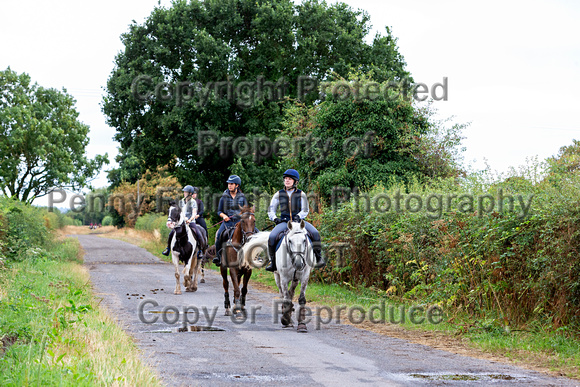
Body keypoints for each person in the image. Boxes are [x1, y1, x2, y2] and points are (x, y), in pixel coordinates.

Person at [265, 169, 325, 272]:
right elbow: (271, 210)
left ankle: (318, 258)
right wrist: (275, 218)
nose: (287, 181)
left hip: (299, 223)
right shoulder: (278, 194)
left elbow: (305, 210)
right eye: (285, 179)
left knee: (315, 233)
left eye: (289, 179)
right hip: (285, 223)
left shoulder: (301, 194)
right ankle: (273, 262)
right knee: (272, 237)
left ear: (295, 181)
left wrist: (299, 216)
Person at [213, 175, 249, 265]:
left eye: (231, 184)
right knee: (219, 236)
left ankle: (255, 256)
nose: (229, 185)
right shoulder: (224, 197)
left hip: (239, 222)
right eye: (228, 184)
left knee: (253, 232)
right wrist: (224, 216)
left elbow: (246, 210)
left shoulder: (242, 197)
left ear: (237, 185)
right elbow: (219, 211)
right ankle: (218, 257)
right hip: (228, 222)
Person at [162, 185, 198, 256]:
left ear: (190, 193)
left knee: (198, 233)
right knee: (171, 234)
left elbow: (194, 213)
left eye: (186, 192)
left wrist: (190, 220)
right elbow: (178, 212)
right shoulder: (181, 202)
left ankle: (200, 251)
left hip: (190, 222)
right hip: (182, 223)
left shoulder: (193, 202)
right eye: (184, 192)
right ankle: (168, 249)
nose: (184, 193)